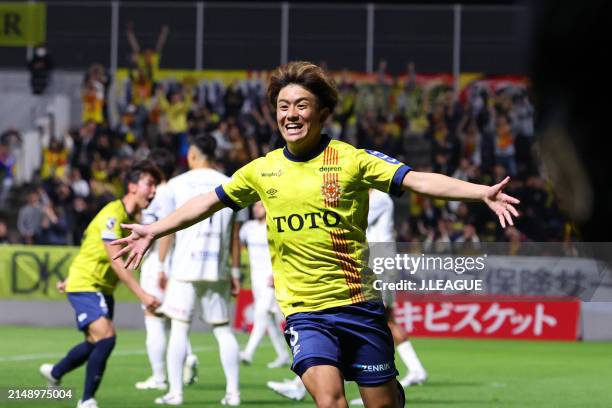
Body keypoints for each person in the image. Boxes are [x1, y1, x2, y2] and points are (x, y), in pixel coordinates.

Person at [112, 61, 519, 408]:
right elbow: (206, 202)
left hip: (359, 306)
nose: (290, 114)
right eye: (283, 106)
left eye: (301, 105)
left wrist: (480, 192)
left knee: (382, 401)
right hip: (306, 312)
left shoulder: (351, 161)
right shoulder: (262, 169)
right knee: (330, 400)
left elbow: (417, 180)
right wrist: (153, 229)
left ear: (322, 113)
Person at [266, 190, 427, 405]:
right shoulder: (366, 194)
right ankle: (408, 372)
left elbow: (347, 222)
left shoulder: (378, 198)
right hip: (369, 261)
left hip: (376, 263)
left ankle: (382, 380)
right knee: (382, 320)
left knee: (379, 320)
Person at [39, 161, 162, 408]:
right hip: (87, 284)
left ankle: (56, 372)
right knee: (107, 337)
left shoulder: (129, 218)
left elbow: (90, 245)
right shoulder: (112, 215)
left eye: (155, 185)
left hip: (101, 288)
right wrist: (143, 295)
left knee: (94, 343)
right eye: (149, 184)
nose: (153, 191)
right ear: (132, 186)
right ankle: (87, 401)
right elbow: (117, 262)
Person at [152, 135, 242, 406]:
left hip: (184, 267)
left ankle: (175, 393)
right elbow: (236, 235)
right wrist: (235, 273)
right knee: (223, 330)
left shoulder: (175, 186)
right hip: (218, 268)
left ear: (192, 154)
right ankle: (234, 393)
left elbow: (167, 228)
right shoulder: (232, 183)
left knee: (179, 329)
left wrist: (160, 264)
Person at [134, 149, 199, 391]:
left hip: (159, 261)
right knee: (171, 317)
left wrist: (160, 265)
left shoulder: (161, 193)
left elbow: (165, 231)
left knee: (153, 317)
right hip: (175, 260)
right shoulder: (176, 189)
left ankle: (159, 377)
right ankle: (188, 355)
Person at [238, 201, 290, 369]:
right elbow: (240, 246)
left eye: (260, 205)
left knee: (261, 314)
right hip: (256, 280)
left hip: (270, 279)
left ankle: (247, 352)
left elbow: (284, 252)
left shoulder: (276, 226)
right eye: (254, 205)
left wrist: (277, 275)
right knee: (271, 320)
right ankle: (283, 355)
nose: (256, 208)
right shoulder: (248, 228)